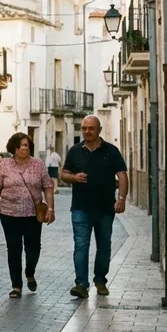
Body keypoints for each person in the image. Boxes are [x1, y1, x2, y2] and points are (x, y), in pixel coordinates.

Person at [60, 115, 129, 299]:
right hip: (80, 208)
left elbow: (122, 175)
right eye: (84, 128)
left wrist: (121, 198)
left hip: (105, 209)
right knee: (81, 246)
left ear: (99, 130)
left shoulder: (111, 151)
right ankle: (81, 284)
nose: (86, 132)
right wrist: (73, 178)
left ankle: (100, 280)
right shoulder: (75, 151)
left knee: (104, 246)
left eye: (90, 128)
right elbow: (64, 174)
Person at [0, 133, 55, 298]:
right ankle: (16, 285)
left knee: (33, 248)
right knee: (13, 249)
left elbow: (48, 186)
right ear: (14, 148)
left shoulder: (38, 164)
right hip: (9, 214)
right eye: (21, 145)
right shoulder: (4, 166)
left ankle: (30, 271)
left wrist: (51, 209)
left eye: (26, 145)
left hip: (33, 215)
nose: (24, 148)